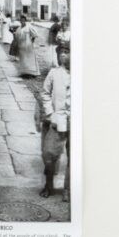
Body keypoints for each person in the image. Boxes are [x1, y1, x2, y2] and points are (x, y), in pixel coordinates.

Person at [40, 45, 71, 201]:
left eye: (67, 52)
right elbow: (45, 93)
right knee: (49, 154)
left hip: (75, 120)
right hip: (57, 119)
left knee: (74, 156)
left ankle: (68, 189)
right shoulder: (54, 73)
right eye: (61, 53)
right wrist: (50, 113)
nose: (62, 56)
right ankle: (49, 184)